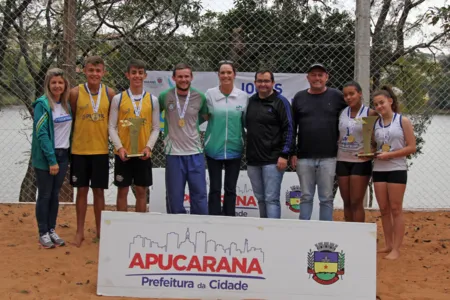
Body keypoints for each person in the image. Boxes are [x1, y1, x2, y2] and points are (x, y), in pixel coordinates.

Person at [290, 63, 347, 221]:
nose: (317, 78)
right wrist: (293, 152)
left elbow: (353, 113)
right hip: (304, 156)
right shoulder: (299, 97)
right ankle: (304, 230)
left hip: (329, 156)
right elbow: (292, 127)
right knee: (306, 196)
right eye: (313, 75)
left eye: (320, 75)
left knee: (326, 197)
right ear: (307, 78)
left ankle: (325, 230)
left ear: (326, 77)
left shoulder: (336, 96)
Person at [69, 56, 116, 247]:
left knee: (99, 192)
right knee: (81, 191)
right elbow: (72, 117)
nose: (94, 74)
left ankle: (100, 231)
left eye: (98, 71)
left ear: (103, 72)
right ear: (85, 71)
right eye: (91, 70)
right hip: (80, 150)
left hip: (101, 150)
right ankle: (79, 232)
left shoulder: (110, 93)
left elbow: (113, 122)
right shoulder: (74, 93)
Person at [108, 59, 160, 213]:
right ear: (127, 75)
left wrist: (149, 147)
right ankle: (122, 228)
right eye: (133, 73)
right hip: (123, 153)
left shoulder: (153, 100)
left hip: (143, 153)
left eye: (140, 73)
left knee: (141, 191)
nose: (137, 76)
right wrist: (119, 147)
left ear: (145, 75)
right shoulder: (118, 99)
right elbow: (111, 126)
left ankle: (140, 228)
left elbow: (156, 128)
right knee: (122, 191)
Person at [372, 85, 416, 260]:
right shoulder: (375, 123)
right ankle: (388, 244)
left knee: (396, 209)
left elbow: (412, 147)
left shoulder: (402, 121)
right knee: (383, 209)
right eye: (376, 104)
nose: (379, 107)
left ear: (390, 101)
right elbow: (373, 145)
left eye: (382, 102)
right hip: (379, 169)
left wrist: (389, 154)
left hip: (397, 168)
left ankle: (397, 248)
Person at [159, 63, 209, 215]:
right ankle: (176, 230)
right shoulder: (164, 96)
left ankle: (200, 228)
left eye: (186, 76)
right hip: (173, 153)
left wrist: (191, 125)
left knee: (199, 195)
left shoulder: (200, 97)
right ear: (174, 78)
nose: (183, 79)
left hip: (195, 152)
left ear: (191, 77)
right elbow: (156, 117)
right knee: (175, 196)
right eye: (180, 76)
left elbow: (205, 116)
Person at [245, 70, 294, 219]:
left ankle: (273, 234)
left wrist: (284, 154)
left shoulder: (281, 102)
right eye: (259, 81)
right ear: (255, 83)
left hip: (273, 160)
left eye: (266, 81)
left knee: (271, 199)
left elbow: (289, 128)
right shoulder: (251, 101)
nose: (263, 84)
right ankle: (263, 232)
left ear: (273, 83)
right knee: (260, 199)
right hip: (253, 160)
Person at [31, 68, 72, 248]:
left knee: (55, 195)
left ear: (65, 85)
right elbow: (42, 135)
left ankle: (52, 229)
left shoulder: (66, 104)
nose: (57, 86)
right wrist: (51, 160)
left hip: (63, 155)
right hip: (48, 157)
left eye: (60, 83)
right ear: (48, 84)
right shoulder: (42, 104)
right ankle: (43, 232)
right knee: (45, 194)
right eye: (53, 82)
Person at [204, 61, 248, 216]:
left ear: (234, 74)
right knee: (215, 188)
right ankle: (214, 219)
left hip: (235, 148)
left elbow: (247, 122)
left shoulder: (243, 97)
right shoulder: (209, 94)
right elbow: (201, 117)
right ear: (218, 75)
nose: (226, 76)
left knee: (230, 188)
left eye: (229, 72)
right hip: (213, 148)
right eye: (222, 73)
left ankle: (229, 220)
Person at [337, 81, 378, 223]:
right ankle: (349, 234)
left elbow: (378, 138)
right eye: (345, 95)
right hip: (342, 159)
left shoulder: (370, 113)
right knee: (346, 201)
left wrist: (372, 151)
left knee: (356, 202)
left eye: (352, 94)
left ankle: (358, 237)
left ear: (360, 94)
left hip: (360, 161)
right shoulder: (342, 112)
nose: (348, 97)